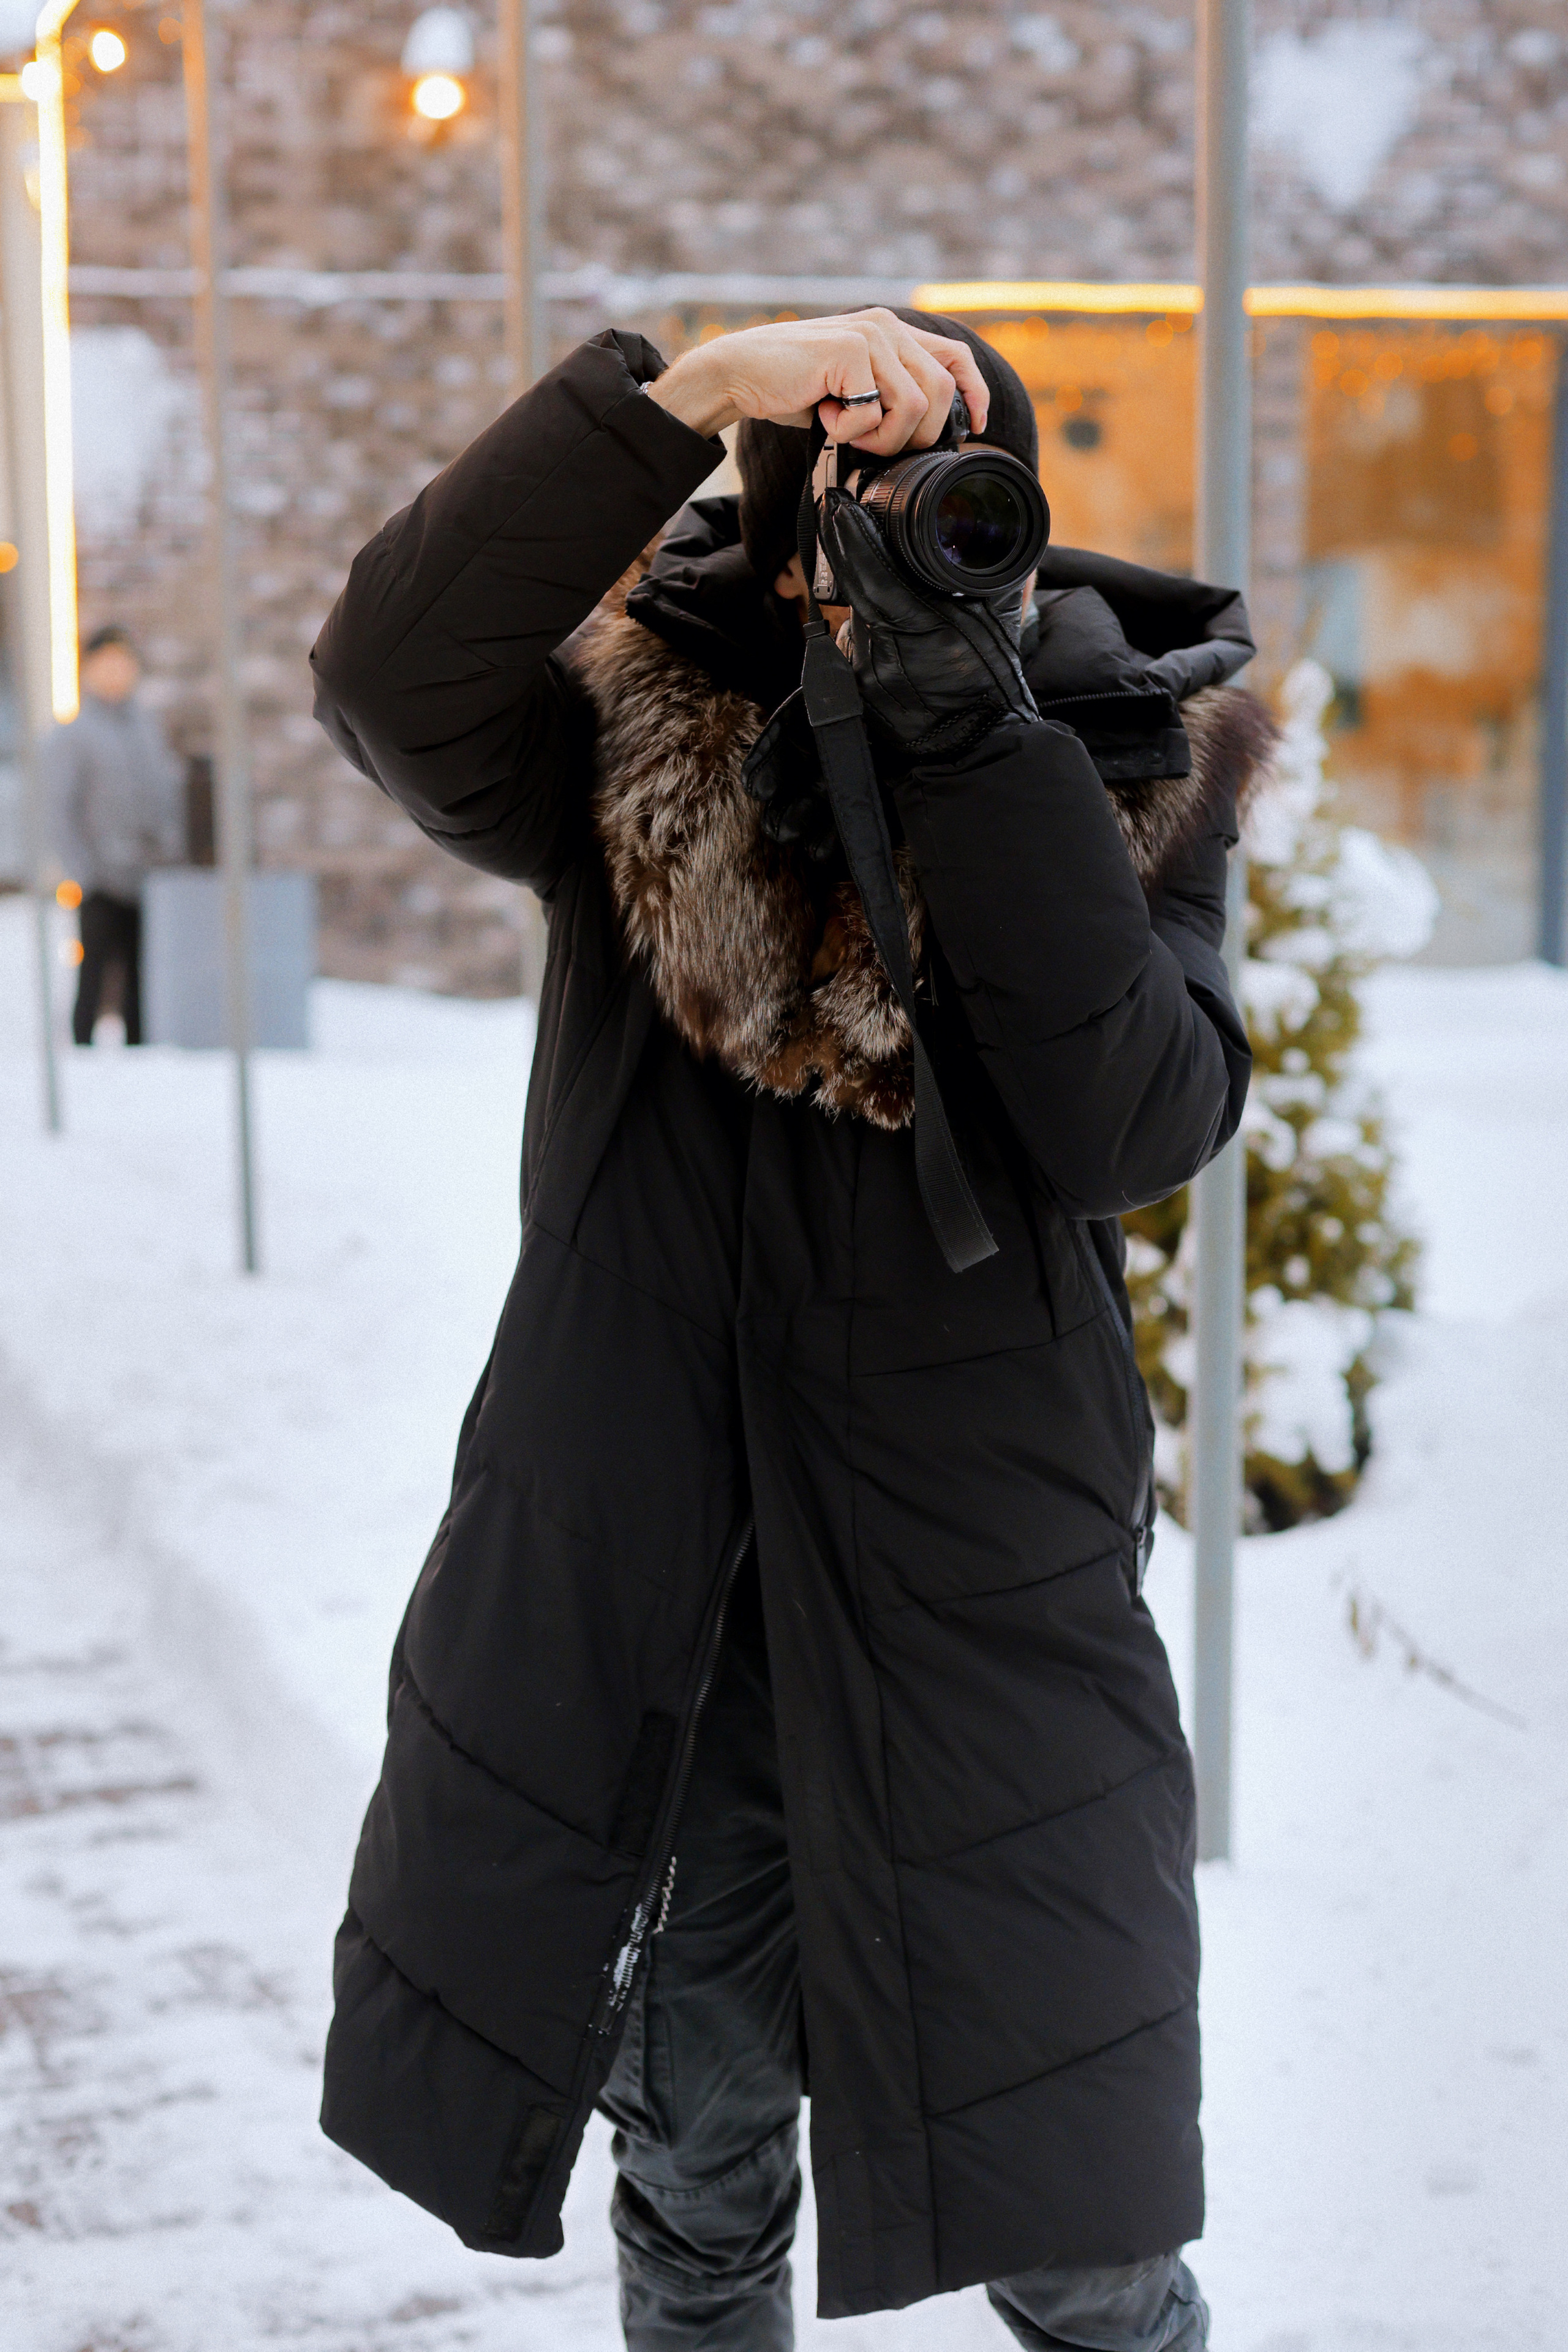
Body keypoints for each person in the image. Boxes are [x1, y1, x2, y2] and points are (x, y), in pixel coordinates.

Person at [310, 311, 1275, 2351]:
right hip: (666, 1618)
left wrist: (970, 735)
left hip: (984, 1615)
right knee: (700, 2191)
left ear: (1008, 526)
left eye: (935, 505)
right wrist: (675, 399)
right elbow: (386, 678)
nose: (880, 547)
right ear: (767, 524)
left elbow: (1135, 1120)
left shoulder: (1121, 754)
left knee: (1086, 2236)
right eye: (841, 502)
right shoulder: (631, 748)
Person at [45, 622, 184, 1046]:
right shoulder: (74, 735)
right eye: (106, 665)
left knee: (144, 980)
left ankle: (140, 1055)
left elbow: (165, 794)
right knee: (93, 974)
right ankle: (83, 1055)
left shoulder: (146, 728)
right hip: (100, 879)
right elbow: (57, 810)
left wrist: (169, 848)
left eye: (123, 665)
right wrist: (83, 872)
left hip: (147, 876)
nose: (116, 674)